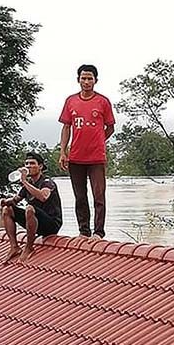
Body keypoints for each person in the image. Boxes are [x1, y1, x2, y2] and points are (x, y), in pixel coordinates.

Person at [58, 64, 115, 238]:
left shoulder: (102, 101)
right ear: (78, 80)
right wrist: (63, 152)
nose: (87, 81)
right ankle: (84, 231)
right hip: (76, 157)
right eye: (83, 78)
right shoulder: (71, 101)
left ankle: (99, 232)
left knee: (99, 196)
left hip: (96, 157)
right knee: (80, 197)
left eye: (90, 78)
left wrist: (99, 140)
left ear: (95, 81)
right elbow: (66, 127)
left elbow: (111, 127)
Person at [0, 152, 63, 262]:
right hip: (34, 220)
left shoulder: (47, 182)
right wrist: (5, 201)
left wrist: (24, 181)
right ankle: (14, 247)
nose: (29, 166)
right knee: (7, 210)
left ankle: (29, 247)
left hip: (51, 223)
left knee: (29, 208)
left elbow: (43, 196)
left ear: (40, 166)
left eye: (32, 163)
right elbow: (15, 200)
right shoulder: (28, 184)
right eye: (27, 164)